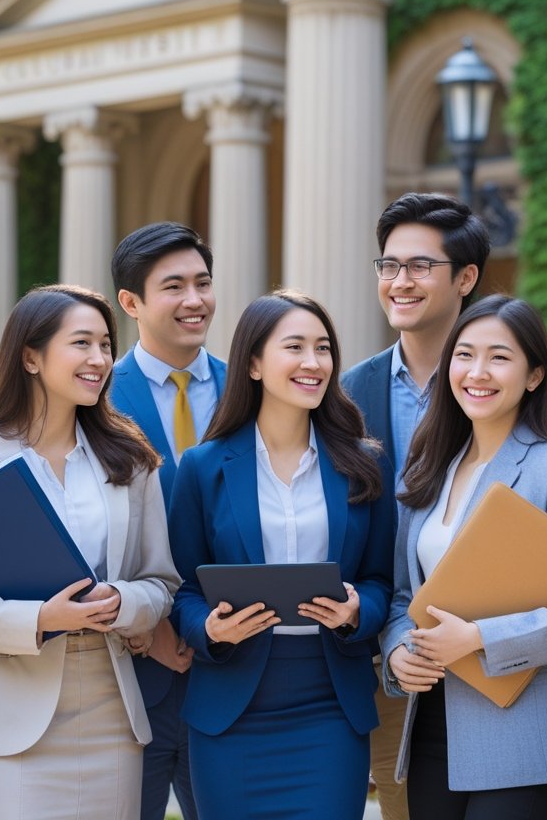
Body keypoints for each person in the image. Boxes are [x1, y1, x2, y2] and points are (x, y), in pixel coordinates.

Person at [0, 285, 180, 820]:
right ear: (30, 356)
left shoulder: (131, 459)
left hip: (111, 712)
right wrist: (39, 618)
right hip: (5, 720)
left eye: (106, 344)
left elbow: (161, 584)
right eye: (82, 343)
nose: (100, 359)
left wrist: (120, 602)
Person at [168, 290, 395, 820]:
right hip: (232, 710)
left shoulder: (363, 464)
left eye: (323, 348)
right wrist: (210, 630)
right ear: (253, 361)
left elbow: (383, 580)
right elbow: (182, 590)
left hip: (330, 706)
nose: (313, 363)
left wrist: (359, 611)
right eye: (294, 347)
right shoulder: (202, 467)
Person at [383, 294, 547, 819]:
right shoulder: (428, 469)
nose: (477, 372)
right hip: (431, 723)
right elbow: (402, 596)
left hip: (520, 734)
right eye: (464, 355)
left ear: (533, 376)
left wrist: (480, 638)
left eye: (499, 357)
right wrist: (397, 652)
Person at [342, 192, 488, 820]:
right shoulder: (348, 394)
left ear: (466, 278)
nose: (400, 282)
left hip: (487, 645)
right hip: (386, 650)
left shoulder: (501, 381)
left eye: (419, 266)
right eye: (388, 266)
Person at [108, 221, 224, 820]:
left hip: (230, 662)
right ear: (131, 303)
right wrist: (145, 623)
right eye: (174, 286)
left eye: (203, 283)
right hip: (131, 667)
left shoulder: (250, 390)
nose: (194, 300)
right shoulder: (93, 394)